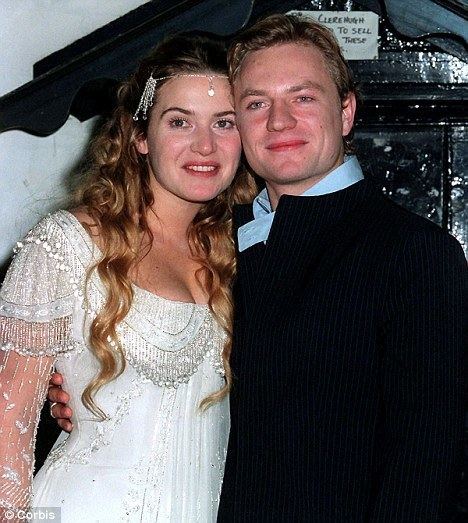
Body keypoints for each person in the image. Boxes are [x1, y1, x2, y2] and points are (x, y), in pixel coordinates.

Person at [48, 14, 467, 522]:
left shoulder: (414, 253)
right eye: (255, 104)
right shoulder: (215, 242)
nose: (279, 121)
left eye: (303, 97)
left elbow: (427, 465)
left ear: (347, 110)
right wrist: (79, 380)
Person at [0, 33, 256, 522]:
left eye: (224, 123)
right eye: (179, 121)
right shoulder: (64, 246)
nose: (204, 144)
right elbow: (5, 434)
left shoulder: (250, 252)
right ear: (139, 136)